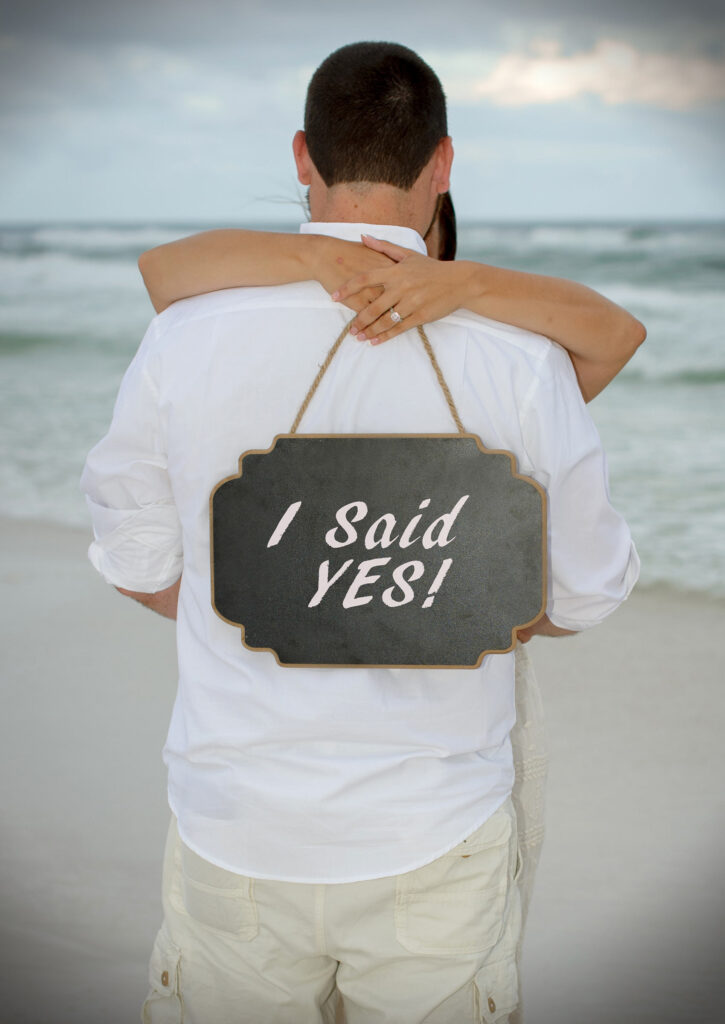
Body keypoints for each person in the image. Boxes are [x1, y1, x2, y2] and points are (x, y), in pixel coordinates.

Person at [81, 42, 640, 1024]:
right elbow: (583, 594)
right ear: (444, 162)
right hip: (432, 829)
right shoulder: (517, 357)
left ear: (303, 155)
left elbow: (134, 557)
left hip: (235, 817)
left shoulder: (188, 331)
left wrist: (270, 594)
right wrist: (426, 597)